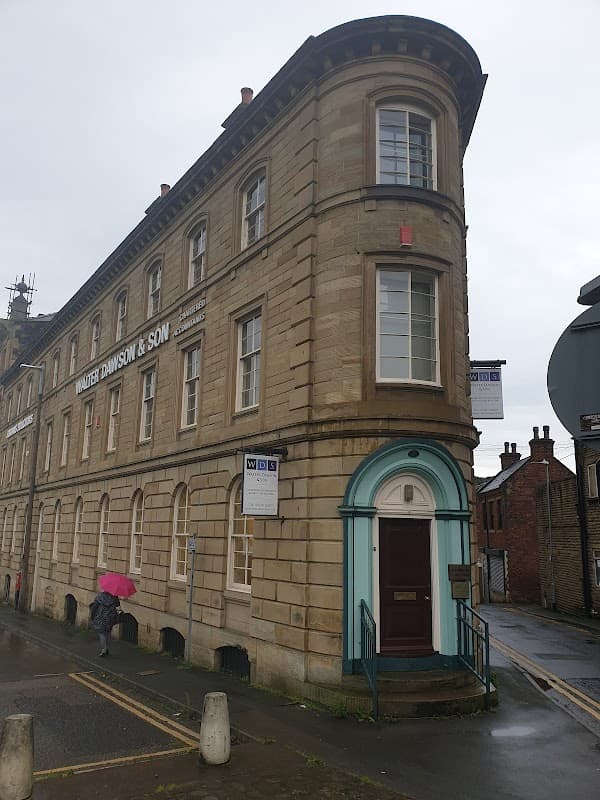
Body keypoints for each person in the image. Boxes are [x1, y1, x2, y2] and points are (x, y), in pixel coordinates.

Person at [90, 591, 122, 656]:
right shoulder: (115, 597)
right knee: (107, 632)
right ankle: (106, 648)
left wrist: (92, 616)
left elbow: (94, 607)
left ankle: (104, 650)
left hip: (101, 617)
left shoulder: (100, 596)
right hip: (110, 617)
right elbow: (118, 606)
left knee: (101, 633)